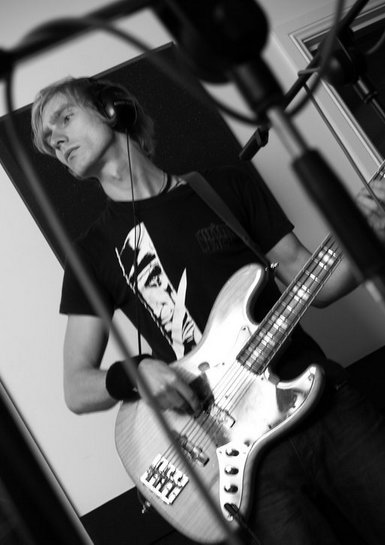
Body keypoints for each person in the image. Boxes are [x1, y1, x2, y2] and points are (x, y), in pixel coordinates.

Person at [31, 76, 385, 545]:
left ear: (112, 109)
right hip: (237, 460)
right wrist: (137, 373)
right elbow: (77, 388)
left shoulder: (226, 187)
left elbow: (316, 285)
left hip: (326, 405)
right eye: (48, 141)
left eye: (64, 118)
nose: (56, 140)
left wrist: (367, 235)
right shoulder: (91, 254)